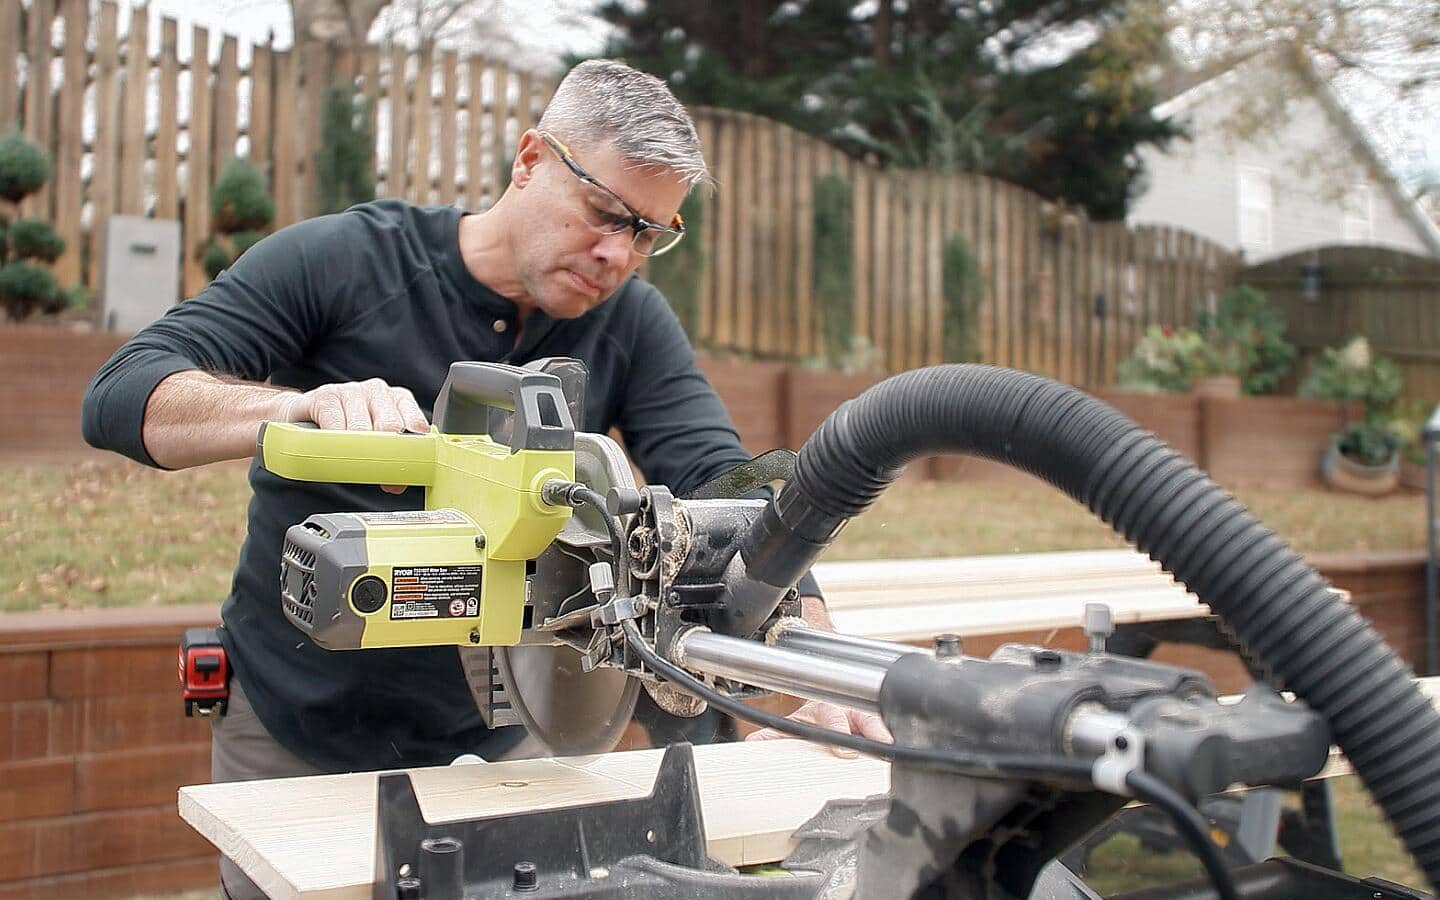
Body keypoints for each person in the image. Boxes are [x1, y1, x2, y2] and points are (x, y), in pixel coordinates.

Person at [82, 59, 888, 898]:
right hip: (294, 726)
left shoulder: (632, 324)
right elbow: (124, 391)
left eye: (649, 232)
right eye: (605, 212)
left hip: (508, 738)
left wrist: (806, 658)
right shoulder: (347, 261)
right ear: (531, 159)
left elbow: (723, 482)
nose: (619, 253)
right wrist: (295, 408)